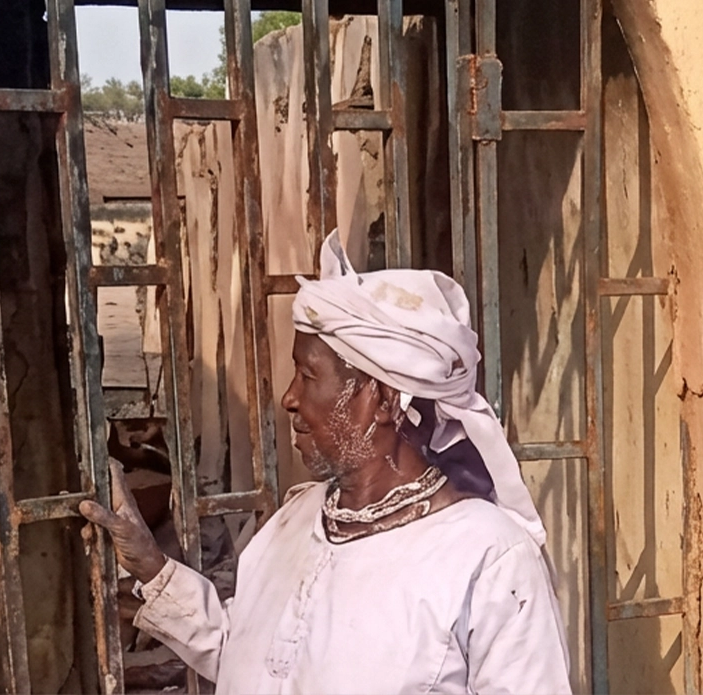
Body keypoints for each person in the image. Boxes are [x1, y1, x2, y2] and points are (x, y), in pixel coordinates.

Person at [79, 233, 572, 694]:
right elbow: (249, 656)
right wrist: (150, 565)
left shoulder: (489, 556)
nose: (289, 398)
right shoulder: (296, 517)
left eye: (308, 375)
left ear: (382, 399)